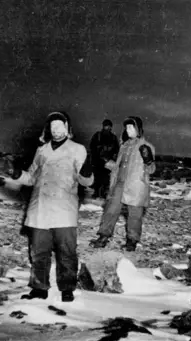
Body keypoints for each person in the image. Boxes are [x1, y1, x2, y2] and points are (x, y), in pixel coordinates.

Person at [9, 111, 93, 302]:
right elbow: (31, 177)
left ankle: (67, 288)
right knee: (39, 252)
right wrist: (14, 173)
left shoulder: (78, 149)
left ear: (67, 128)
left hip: (64, 208)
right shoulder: (42, 150)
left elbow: (85, 181)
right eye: (52, 126)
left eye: (60, 125)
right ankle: (39, 288)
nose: (56, 130)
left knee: (66, 252)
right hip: (40, 208)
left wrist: (87, 173)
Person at [90, 116, 155, 251]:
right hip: (119, 183)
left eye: (131, 127)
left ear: (138, 129)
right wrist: (107, 162)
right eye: (126, 127)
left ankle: (132, 241)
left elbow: (151, 169)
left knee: (134, 215)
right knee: (110, 210)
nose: (128, 130)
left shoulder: (147, 147)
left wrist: (148, 160)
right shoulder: (124, 146)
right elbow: (119, 167)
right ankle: (103, 237)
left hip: (136, 185)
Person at [88, 119, 120, 199]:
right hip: (98, 162)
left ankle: (104, 193)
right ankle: (96, 192)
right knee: (97, 178)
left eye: (109, 126)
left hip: (108, 162)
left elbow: (117, 150)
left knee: (106, 179)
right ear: (103, 126)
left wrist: (112, 158)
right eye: (106, 126)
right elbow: (92, 147)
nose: (107, 127)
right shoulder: (97, 135)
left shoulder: (113, 138)